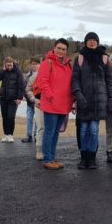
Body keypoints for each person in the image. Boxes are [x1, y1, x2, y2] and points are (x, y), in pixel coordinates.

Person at [72, 32, 112, 170]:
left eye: (94, 40)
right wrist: (77, 93)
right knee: (84, 130)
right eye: (89, 40)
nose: (92, 42)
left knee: (94, 130)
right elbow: (75, 79)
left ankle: (92, 158)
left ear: (97, 42)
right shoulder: (79, 58)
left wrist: (111, 99)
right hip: (83, 99)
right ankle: (83, 157)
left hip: (99, 100)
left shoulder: (104, 58)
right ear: (85, 42)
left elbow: (109, 81)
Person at [37, 38, 73, 170]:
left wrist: (72, 100)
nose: (61, 51)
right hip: (51, 105)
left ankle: (52, 157)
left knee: (56, 133)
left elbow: (70, 84)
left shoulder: (68, 65)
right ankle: (47, 159)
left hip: (63, 105)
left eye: (64, 49)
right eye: (59, 48)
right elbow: (42, 81)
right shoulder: (48, 63)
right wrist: (51, 96)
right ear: (54, 48)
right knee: (49, 132)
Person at [0, 56, 25, 143]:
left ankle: (10, 135)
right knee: (4, 117)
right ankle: (5, 134)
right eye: (7, 65)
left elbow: (21, 85)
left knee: (11, 117)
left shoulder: (18, 72)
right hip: (3, 98)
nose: (9, 67)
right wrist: (3, 70)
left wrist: (19, 98)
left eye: (10, 65)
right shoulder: (4, 71)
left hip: (13, 99)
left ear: (13, 64)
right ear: (5, 65)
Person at [25, 57, 44, 160]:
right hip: (39, 105)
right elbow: (28, 89)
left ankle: (49, 151)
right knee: (41, 128)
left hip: (52, 107)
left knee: (50, 130)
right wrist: (34, 99)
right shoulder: (34, 76)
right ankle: (39, 151)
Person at [21, 57, 40, 143]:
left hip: (38, 102)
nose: (34, 65)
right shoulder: (28, 75)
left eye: (36, 64)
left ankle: (36, 136)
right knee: (29, 119)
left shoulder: (41, 74)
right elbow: (25, 88)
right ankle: (29, 136)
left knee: (37, 120)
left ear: (39, 65)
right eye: (32, 64)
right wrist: (28, 98)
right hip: (29, 101)